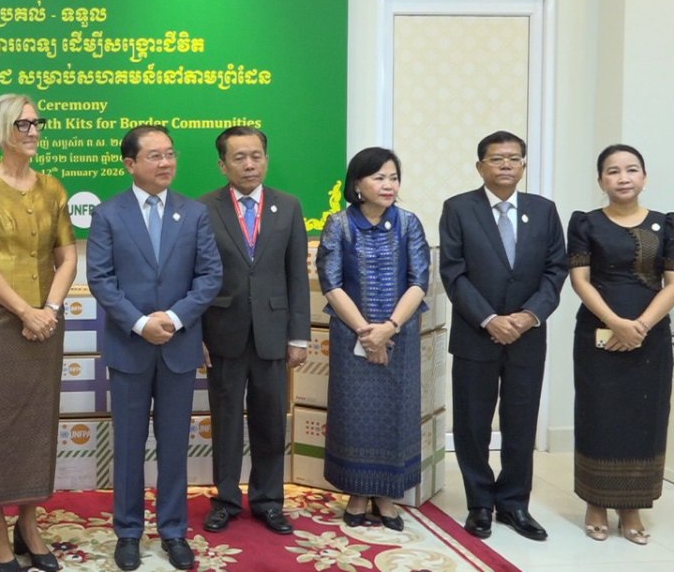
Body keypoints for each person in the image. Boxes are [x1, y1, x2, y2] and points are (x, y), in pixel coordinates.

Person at [87, 125, 223, 571]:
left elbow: (210, 276)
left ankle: (173, 530)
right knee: (128, 445)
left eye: (170, 154)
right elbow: (100, 279)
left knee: (174, 445)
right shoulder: (108, 214)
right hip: (130, 346)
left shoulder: (194, 213)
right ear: (130, 164)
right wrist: (142, 323)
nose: (166, 163)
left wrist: (175, 318)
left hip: (179, 346)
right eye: (155, 156)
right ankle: (128, 532)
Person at [0, 93, 77, 572]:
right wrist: (25, 310)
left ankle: (29, 523)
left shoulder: (52, 187)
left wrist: (49, 309)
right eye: (22, 124)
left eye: (36, 123)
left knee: (36, 424)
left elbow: (67, 257)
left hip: (44, 322)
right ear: (1, 129)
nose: (33, 131)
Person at [439, 130, 567, 542]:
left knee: (521, 421)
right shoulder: (459, 209)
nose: (506, 165)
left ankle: (514, 503)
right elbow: (453, 273)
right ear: (480, 166)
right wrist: (489, 318)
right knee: (472, 422)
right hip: (476, 334)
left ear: (524, 165)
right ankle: (479, 502)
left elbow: (556, 270)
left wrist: (529, 316)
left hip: (527, 337)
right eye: (497, 158)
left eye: (514, 158)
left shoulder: (543, 210)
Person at [199, 126, 309, 537]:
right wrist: (196, 336)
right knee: (225, 422)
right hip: (222, 333)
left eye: (256, 156)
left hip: (273, 334)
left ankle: (268, 501)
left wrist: (298, 336)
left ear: (266, 158)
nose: (249, 164)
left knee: (270, 422)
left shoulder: (288, 206)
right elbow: (195, 276)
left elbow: (297, 275)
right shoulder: (203, 208)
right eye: (239, 157)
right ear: (222, 164)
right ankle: (226, 499)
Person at [315, 147, 429, 532]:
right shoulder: (339, 224)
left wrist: (388, 328)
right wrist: (367, 332)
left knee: (396, 415)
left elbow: (419, 281)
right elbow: (331, 283)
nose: (388, 185)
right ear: (358, 184)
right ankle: (358, 494)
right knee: (353, 416)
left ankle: (386, 496)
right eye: (379, 177)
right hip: (351, 335)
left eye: (393, 177)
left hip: (400, 334)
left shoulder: (409, 223)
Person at [568, 144, 674, 545]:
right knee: (598, 416)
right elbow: (580, 281)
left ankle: (632, 507)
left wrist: (640, 326)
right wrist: (616, 323)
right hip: (598, 336)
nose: (623, 178)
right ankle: (595, 503)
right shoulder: (586, 223)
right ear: (600, 180)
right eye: (613, 171)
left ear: (645, 177)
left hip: (651, 338)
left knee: (644, 419)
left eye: (631, 169)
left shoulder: (667, 224)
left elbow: (672, 284)